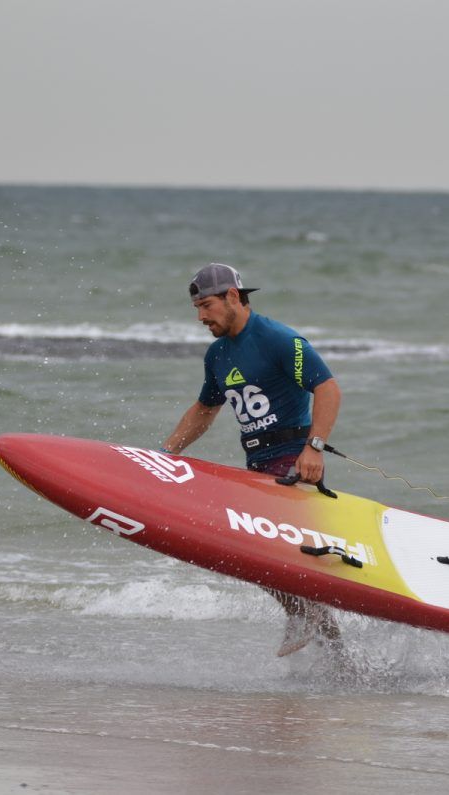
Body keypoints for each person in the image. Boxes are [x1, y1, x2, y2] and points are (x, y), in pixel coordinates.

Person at [161, 262, 344, 657]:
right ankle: (340, 661)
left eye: (206, 306)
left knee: (260, 556)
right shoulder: (217, 355)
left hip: (292, 464)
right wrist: (165, 454)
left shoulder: (278, 339)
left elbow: (327, 388)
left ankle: (306, 618)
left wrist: (314, 447)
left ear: (232, 296)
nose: (200, 317)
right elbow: (205, 409)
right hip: (259, 466)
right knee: (275, 566)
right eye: (196, 308)